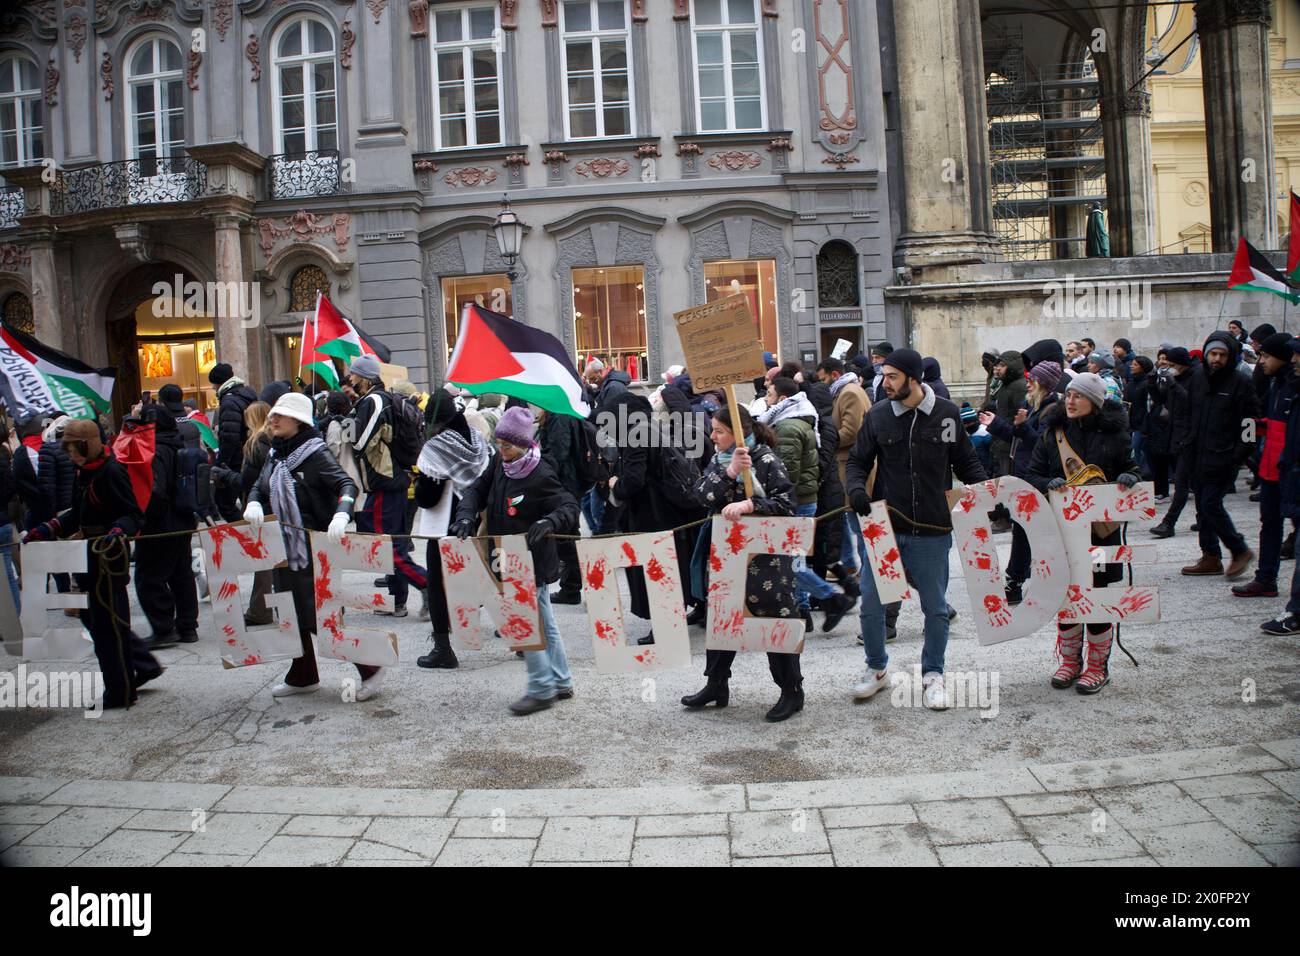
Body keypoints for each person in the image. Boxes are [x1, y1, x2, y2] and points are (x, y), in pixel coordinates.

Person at [846, 348, 986, 710]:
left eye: (892, 376)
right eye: (883, 376)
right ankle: (876, 670)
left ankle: (933, 675)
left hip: (933, 526)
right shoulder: (878, 415)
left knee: (935, 609)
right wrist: (857, 489)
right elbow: (858, 463)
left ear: (913, 378)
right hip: (884, 527)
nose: (885, 383)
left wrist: (987, 494)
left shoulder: (946, 414)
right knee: (872, 607)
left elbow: (966, 461)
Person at [242, 392, 377, 699]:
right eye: (273, 414)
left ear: (299, 422)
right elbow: (258, 487)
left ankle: (371, 667)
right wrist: (252, 504)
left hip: (313, 547)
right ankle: (303, 675)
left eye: (281, 415)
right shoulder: (276, 454)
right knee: (291, 614)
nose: (273, 419)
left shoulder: (315, 453)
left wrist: (342, 513)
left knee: (318, 615)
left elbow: (346, 484)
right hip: (283, 546)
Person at [22, 419, 163, 710]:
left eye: (73, 448)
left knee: (110, 631)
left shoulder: (111, 472)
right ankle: (123, 686)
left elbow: (134, 514)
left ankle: (119, 693)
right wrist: (50, 527)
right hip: (86, 558)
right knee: (101, 629)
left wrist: (117, 530)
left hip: (108, 562)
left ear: (87, 445)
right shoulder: (84, 472)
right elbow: (80, 512)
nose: (69, 454)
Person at [451, 405, 580, 715]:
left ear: (524, 444)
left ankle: (540, 688)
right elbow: (475, 491)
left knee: (525, 621)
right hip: (504, 557)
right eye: (498, 443)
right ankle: (561, 681)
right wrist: (466, 516)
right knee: (544, 622)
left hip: (531, 561)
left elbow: (568, 506)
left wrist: (549, 522)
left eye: (506, 445)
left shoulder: (541, 472)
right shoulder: (499, 463)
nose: (501, 450)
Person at [680, 405, 805, 722]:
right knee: (722, 618)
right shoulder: (719, 460)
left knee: (775, 623)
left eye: (719, 430)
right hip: (727, 556)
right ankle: (716, 685)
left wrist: (752, 503)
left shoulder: (765, 460)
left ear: (737, 431)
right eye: (713, 429)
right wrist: (731, 472)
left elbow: (788, 505)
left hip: (767, 562)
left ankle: (791, 690)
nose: (712, 435)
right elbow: (700, 495)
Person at [1024, 372, 1139, 694]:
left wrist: (1129, 478)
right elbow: (1031, 474)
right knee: (1067, 595)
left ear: (1095, 402)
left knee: (1098, 598)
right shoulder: (1052, 433)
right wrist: (1048, 483)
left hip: (1102, 535)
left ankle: (1097, 666)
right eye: (1068, 395)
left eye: (1079, 396)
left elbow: (1134, 470)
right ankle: (1070, 661)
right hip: (1063, 533)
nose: (1071, 401)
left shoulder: (1115, 435)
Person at [759, 376, 855, 632]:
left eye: (769, 393)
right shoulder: (793, 421)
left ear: (782, 398)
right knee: (796, 561)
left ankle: (832, 598)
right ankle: (802, 610)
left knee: (792, 562)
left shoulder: (788, 427)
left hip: (797, 502)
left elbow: (787, 472)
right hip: (803, 499)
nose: (765, 397)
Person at [413, 390, 493, 669]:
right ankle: (519, 635)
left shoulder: (436, 448)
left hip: (445, 523)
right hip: (476, 519)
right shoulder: (477, 438)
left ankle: (442, 648)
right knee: (489, 578)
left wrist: (419, 482)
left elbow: (428, 497)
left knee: (437, 582)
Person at [347, 354, 427, 617]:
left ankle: (429, 586)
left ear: (364, 377)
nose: (350, 378)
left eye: (353, 374)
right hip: (391, 481)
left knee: (387, 545)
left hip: (384, 481)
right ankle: (397, 601)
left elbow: (358, 442)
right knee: (393, 542)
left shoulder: (373, 400)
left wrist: (344, 422)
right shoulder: (381, 399)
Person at [980, 360, 1063, 605]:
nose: (1028, 384)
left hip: (1037, 479)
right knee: (1024, 531)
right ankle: (1018, 581)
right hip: (1025, 477)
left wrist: (1023, 427)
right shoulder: (1033, 404)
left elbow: (1042, 445)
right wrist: (996, 425)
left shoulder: (1052, 410)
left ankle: (1016, 581)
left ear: (1043, 385)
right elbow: (1019, 437)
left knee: (1026, 533)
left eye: (1032, 380)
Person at [1182, 332, 1259, 580]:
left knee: (1210, 504)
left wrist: (1236, 456)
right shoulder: (1197, 378)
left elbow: (1250, 426)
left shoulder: (1241, 383)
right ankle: (1211, 556)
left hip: (1223, 458)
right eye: (1213, 354)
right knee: (1202, 508)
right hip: (1197, 455)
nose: (1216, 359)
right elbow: (1187, 413)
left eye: (1222, 355)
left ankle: (1239, 549)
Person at [1233, 333, 1297, 598]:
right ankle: (1266, 579)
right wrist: (1252, 428)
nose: (1261, 361)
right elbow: (1272, 425)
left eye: (1266, 356)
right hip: (1270, 469)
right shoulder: (1275, 386)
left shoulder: (1293, 388)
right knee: (1269, 525)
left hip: (1290, 470)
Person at [132, 404, 200, 649]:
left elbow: (155, 492)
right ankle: (187, 625)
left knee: (148, 576)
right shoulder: (176, 442)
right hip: (182, 518)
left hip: (160, 523)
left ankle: (163, 627)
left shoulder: (154, 449)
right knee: (181, 573)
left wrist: (144, 518)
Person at [815, 357, 871, 584]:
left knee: (860, 527)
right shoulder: (845, 391)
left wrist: (826, 440)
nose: (823, 383)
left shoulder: (849, 393)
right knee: (854, 524)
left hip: (850, 465)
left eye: (824, 378)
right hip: (848, 465)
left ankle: (867, 572)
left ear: (834, 375)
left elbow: (851, 431)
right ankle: (857, 568)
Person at [538, 405, 589, 604]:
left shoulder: (559, 415)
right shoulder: (560, 412)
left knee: (566, 539)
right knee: (567, 537)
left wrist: (541, 471)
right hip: (566, 482)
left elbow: (558, 453)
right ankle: (571, 587)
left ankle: (571, 588)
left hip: (564, 484)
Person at [1149, 347, 1198, 537]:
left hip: (1190, 438)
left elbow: (1190, 402)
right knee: (1193, 482)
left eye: (1171, 365)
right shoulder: (1175, 380)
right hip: (1176, 436)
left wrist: (1172, 383)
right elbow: (1160, 400)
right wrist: (1152, 381)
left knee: (1181, 482)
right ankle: (1204, 519)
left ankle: (1168, 522)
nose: (1168, 368)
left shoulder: (1196, 378)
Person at [208, 362, 258, 522]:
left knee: (224, 503)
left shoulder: (229, 402)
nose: (213, 388)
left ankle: (246, 537)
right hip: (250, 455)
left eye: (213, 384)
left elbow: (229, 437)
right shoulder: (246, 395)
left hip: (235, 461)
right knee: (247, 501)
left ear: (218, 383)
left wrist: (220, 465)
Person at [984, 350, 1026, 478]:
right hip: (1000, 441)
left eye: (1002, 365)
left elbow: (1018, 416)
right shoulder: (1003, 385)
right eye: (998, 365)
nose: (998, 369)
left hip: (1010, 446)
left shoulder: (1019, 386)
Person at [321, 390, 362, 489]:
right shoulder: (352, 421)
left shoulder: (334, 424)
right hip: (356, 472)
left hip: (343, 474)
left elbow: (333, 451)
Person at [1126, 356, 1155, 478]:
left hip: (1141, 424)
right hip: (1131, 422)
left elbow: (1148, 407)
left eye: (1135, 365)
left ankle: (1139, 475)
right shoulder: (1132, 383)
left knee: (1136, 449)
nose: (1131, 366)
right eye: (1132, 364)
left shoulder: (1147, 384)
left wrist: (1145, 426)